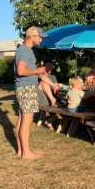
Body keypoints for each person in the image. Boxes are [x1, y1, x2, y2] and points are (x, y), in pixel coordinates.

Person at [14, 27, 59, 159]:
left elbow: (40, 75)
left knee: (22, 120)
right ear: (32, 37)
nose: (41, 39)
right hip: (27, 88)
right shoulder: (25, 50)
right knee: (27, 121)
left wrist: (52, 84)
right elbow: (21, 71)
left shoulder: (24, 50)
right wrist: (36, 70)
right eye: (39, 37)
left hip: (24, 87)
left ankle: (21, 151)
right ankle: (26, 153)